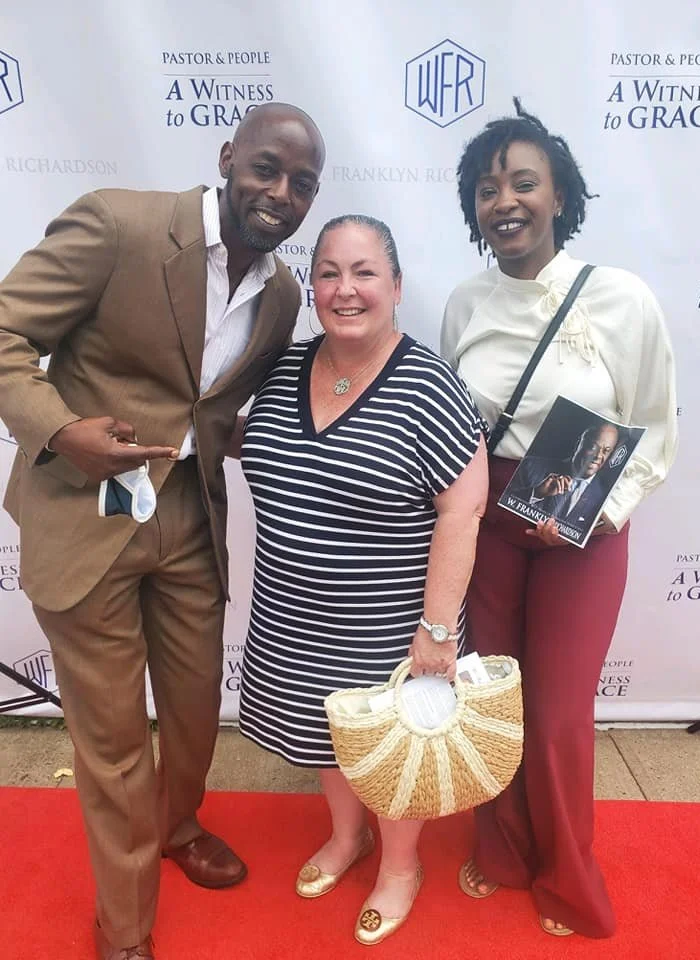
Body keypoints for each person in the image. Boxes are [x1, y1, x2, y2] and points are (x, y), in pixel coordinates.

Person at [0, 102, 325, 959]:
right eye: (266, 168)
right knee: (111, 745)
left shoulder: (285, 293)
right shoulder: (121, 225)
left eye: (302, 184)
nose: (280, 193)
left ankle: (178, 824)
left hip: (186, 520)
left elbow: (216, 408)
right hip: (83, 515)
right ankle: (125, 930)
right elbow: (3, 331)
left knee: (188, 717)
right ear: (228, 157)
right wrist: (59, 428)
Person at [441, 99, 677, 939]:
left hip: (587, 529)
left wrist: (598, 512)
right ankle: (502, 850)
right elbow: (459, 429)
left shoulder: (620, 298)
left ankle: (567, 874)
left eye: (523, 182)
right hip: (492, 522)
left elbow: (654, 422)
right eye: (485, 186)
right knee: (496, 698)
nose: (503, 199)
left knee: (560, 711)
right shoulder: (465, 304)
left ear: (560, 195)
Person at [238, 214, 488, 946]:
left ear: (397, 286)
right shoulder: (284, 367)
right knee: (326, 736)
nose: (345, 290)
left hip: (392, 623)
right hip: (291, 614)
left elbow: (463, 507)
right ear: (311, 284)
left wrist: (437, 629)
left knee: (390, 752)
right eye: (328, 273)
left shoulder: (428, 385)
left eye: (365, 272)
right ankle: (348, 840)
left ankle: (400, 867)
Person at [508, 422, 620, 523]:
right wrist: (536, 493)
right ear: (578, 444)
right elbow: (506, 503)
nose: (598, 456)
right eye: (592, 447)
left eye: (606, 451)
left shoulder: (604, 497)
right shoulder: (531, 466)